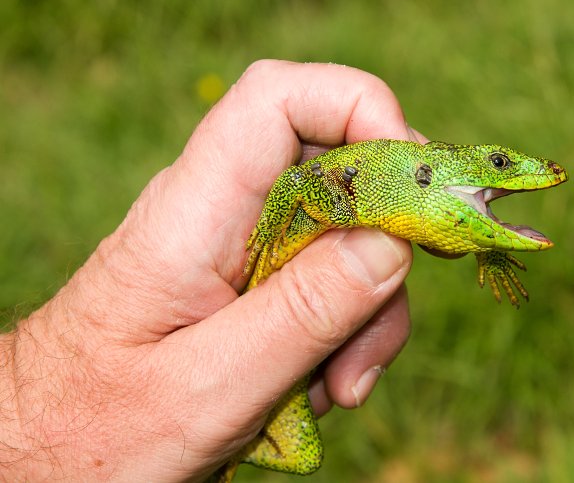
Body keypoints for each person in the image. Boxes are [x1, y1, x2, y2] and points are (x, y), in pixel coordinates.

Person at [0, 60, 417, 480]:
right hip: (258, 329)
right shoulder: (338, 195)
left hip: (284, 378)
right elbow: (292, 184)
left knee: (306, 458)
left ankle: (225, 453)